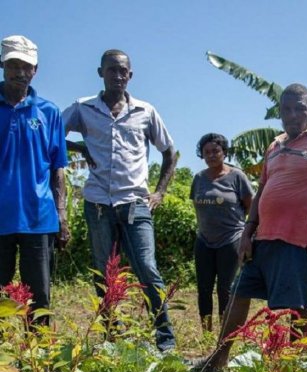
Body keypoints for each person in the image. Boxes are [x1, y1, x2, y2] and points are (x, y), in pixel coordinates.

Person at [203, 83, 307, 369]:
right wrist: (248, 231)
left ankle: (296, 367)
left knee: (298, 306)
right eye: (286, 109)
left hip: (297, 238)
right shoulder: (274, 145)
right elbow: (262, 190)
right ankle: (218, 359)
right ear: (279, 112)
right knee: (238, 295)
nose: (292, 115)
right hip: (262, 237)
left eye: (299, 109)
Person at [63, 49, 177, 351]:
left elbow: (169, 152)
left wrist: (160, 192)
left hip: (135, 204)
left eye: (122, 71)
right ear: (100, 73)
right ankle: (113, 337)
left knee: (147, 270)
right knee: (105, 274)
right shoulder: (83, 108)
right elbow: (50, 135)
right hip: (98, 204)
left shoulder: (145, 111)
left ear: (130, 75)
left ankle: (165, 341)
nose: (117, 76)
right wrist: (78, 147)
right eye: (111, 70)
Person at [0, 35, 70, 323]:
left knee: (39, 296)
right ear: (2, 66)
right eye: (13, 65)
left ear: (35, 69)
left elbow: (58, 170)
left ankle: (40, 360)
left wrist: (62, 216)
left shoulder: (49, 112)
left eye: (25, 66)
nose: (19, 72)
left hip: (39, 218)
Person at [191, 133, 254, 332]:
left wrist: (248, 237)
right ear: (202, 155)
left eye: (215, 151)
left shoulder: (237, 176)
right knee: (204, 289)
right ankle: (207, 333)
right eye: (206, 152)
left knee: (226, 290)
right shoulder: (199, 178)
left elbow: (250, 208)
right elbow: (197, 206)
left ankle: (225, 334)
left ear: (224, 152)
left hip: (231, 240)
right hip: (204, 241)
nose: (211, 155)